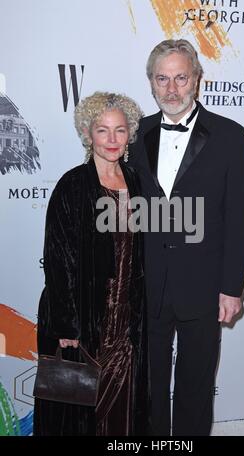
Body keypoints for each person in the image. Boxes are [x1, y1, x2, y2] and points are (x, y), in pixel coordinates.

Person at [129, 39, 244, 436]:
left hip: (203, 287)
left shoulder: (232, 136)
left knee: (195, 387)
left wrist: (231, 288)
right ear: (150, 82)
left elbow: (239, 219)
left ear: (197, 79)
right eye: (162, 78)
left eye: (180, 77)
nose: (171, 88)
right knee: (146, 388)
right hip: (145, 285)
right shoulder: (136, 134)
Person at [33, 92, 149, 436]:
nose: (112, 140)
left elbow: (142, 251)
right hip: (83, 320)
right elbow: (58, 258)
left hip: (127, 323)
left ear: (130, 134)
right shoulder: (73, 185)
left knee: (123, 410)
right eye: (102, 130)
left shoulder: (138, 182)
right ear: (88, 134)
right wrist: (66, 326)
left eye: (119, 130)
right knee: (79, 412)